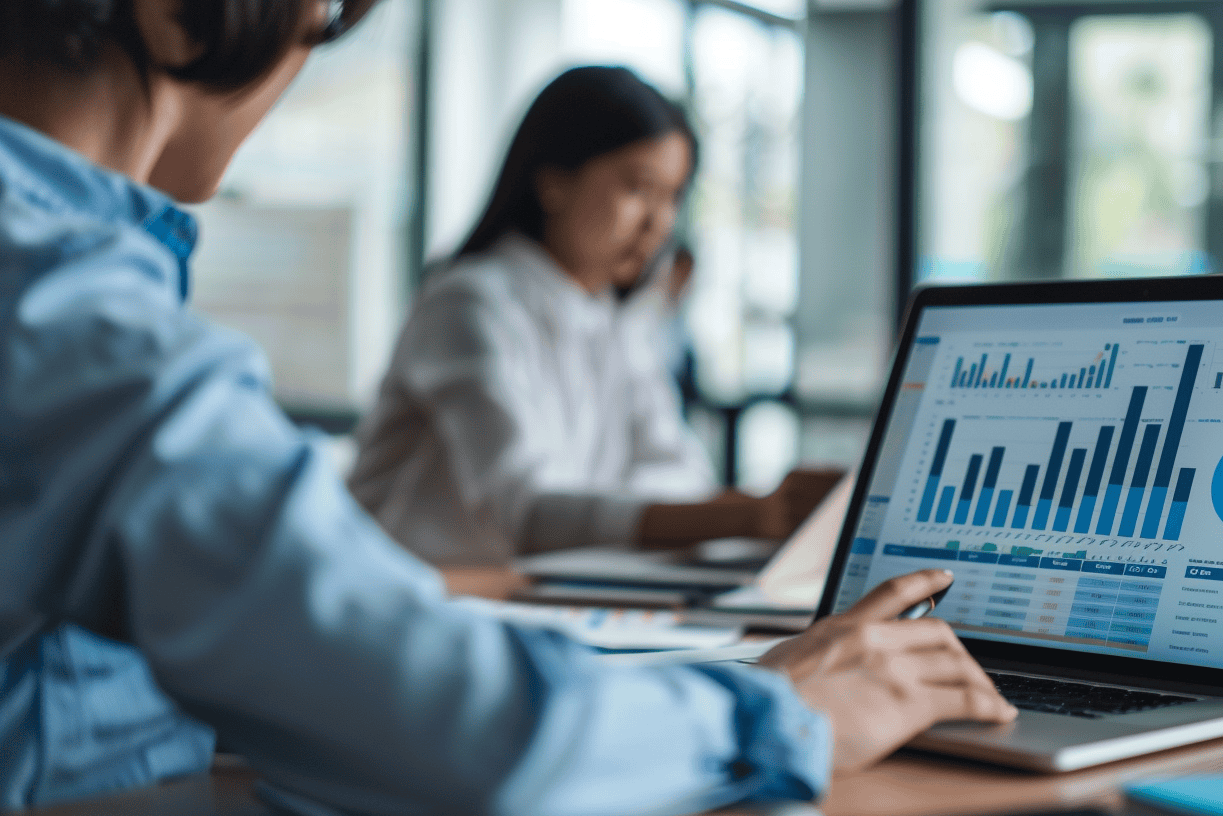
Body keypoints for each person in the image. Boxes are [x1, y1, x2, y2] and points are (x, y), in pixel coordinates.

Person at [0, 1, 1015, 812]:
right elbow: (461, 717)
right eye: (316, 28)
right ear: (178, 17)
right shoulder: (68, 311)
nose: (296, 70)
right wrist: (774, 709)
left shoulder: (621, 316)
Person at [349, 66, 840, 566]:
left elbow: (678, 474)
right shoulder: (466, 303)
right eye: (638, 189)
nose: (659, 223)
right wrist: (750, 515)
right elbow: (527, 514)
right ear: (553, 183)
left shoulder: (615, 320)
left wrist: (727, 512)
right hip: (402, 609)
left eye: (673, 196)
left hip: (536, 601)